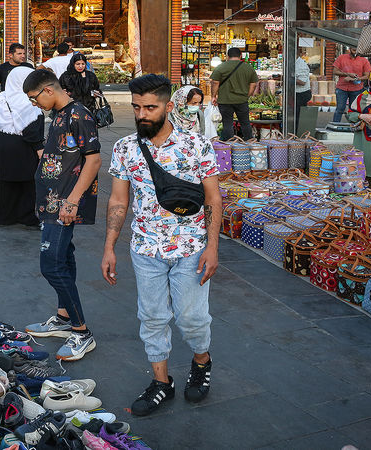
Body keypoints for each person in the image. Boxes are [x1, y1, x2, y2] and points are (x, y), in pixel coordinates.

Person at [101, 74, 220, 417]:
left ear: (168, 107)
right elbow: (118, 201)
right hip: (145, 249)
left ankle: (202, 360)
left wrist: (212, 247)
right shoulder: (125, 147)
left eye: (150, 107)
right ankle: (161, 382)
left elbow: (213, 197)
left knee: (191, 318)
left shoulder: (197, 145)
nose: (142, 114)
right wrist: (110, 247)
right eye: (137, 107)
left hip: (191, 247)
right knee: (151, 317)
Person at [21, 69, 102, 361]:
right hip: (53, 200)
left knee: (51, 265)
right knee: (64, 257)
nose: (34, 104)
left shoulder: (79, 114)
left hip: (64, 203)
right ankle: (64, 317)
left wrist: (72, 201)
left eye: (34, 98)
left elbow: (93, 160)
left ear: (48, 90)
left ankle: (81, 331)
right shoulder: (59, 113)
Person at [0, 66, 44, 227]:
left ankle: (5, 217)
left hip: (4, 146)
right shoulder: (28, 101)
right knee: (27, 183)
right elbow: (32, 131)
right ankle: (25, 216)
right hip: (24, 148)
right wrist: (39, 148)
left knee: (6, 183)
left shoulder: (0, 99)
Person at [209, 47, 258, 140]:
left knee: (227, 123)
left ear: (227, 56)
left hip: (225, 100)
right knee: (245, 123)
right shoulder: (248, 67)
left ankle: (229, 146)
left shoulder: (221, 67)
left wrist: (213, 96)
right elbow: (253, 84)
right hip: (242, 100)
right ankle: (249, 144)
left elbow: (215, 82)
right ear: (240, 56)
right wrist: (248, 95)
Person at [0, 43, 34, 116]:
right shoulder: (1, 68)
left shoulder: (29, 67)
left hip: (26, 105)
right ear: (11, 55)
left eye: (24, 53)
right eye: (19, 54)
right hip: (7, 106)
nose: (23, 56)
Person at [332, 46, 371, 123]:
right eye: (353, 50)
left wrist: (355, 79)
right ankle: (335, 126)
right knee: (340, 108)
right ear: (349, 49)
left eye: (357, 50)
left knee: (353, 109)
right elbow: (335, 71)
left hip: (357, 88)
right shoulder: (341, 57)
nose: (355, 52)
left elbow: (367, 76)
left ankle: (353, 127)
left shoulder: (364, 60)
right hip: (342, 87)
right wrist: (347, 74)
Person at [295, 48, 312, 125]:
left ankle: (298, 133)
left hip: (302, 94)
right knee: (296, 114)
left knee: (298, 116)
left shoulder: (301, 65)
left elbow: (302, 82)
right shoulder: (294, 63)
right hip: (297, 93)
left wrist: (289, 79)